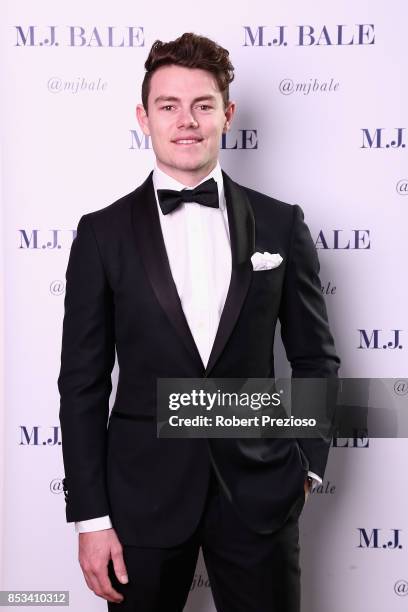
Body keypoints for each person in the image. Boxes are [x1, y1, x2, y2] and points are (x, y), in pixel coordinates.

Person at [58, 32, 340, 612]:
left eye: (203, 105)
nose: (186, 121)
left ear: (227, 115)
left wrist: (307, 466)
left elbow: (315, 358)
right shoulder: (101, 233)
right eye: (169, 106)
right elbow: (82, 383)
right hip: (139, 501)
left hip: (261, 493)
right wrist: (90, 516)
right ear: (144, 117)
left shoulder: (281, 223)